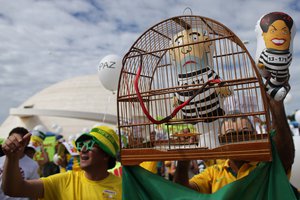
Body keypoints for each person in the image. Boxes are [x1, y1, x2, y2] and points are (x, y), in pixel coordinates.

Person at [173, 96, 296, 194]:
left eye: (244, 133)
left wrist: (276, 103)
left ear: (254, 135)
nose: (238, 140)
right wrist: (184, 159)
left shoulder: (264, 167)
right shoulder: (214, 173)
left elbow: (284, 158)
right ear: (221, 141)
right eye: (230, 136)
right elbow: (182, 192)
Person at [1, 125, 122, 200]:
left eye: (90, 145)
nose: (83, 150)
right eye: (81, 145)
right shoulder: (64, 181)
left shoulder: (123, 188)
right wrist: (12, 159)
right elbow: (14, 189)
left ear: (106, 155)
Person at [0, 127, 40, 200]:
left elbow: (34, 193)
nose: (14, 144)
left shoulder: (33, 165)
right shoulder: (0, 160)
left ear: (26, 143)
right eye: (12, 140)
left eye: (19, 142)